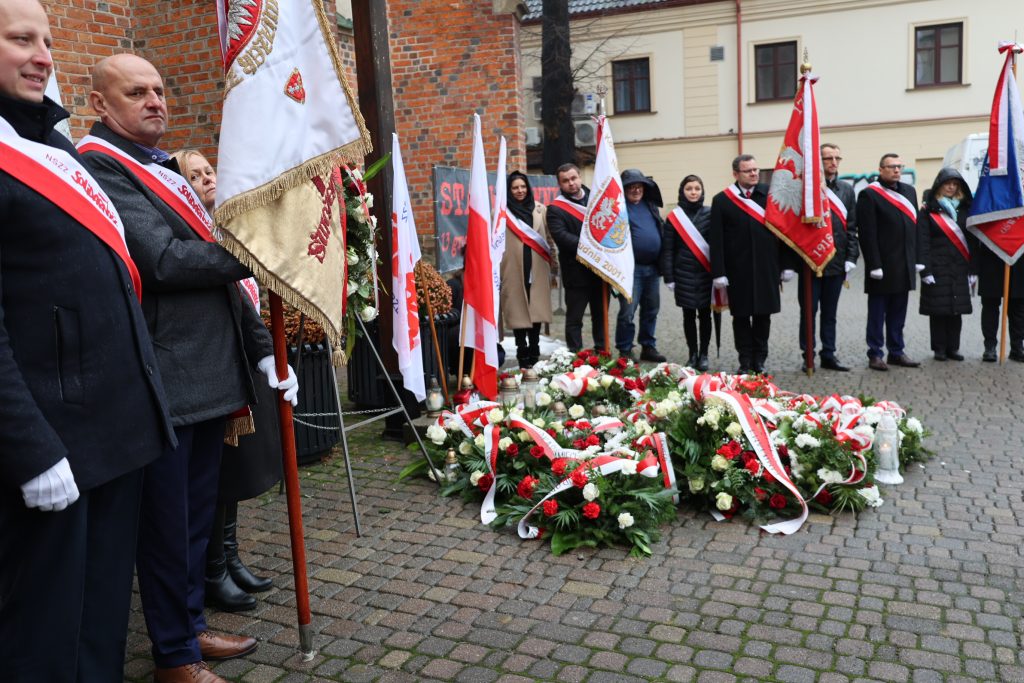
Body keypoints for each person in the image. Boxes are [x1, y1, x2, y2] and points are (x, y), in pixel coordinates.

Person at [80, 54, 298, 683]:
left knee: (197, 516)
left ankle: (189, 627)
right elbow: (166, 262)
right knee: (168, 525)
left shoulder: (163, 170)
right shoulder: (102, 169)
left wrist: (257, 344)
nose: (155, 101)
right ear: (100, 104)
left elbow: (214, 278)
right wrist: (255, 252)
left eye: (160, 88)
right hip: (168, 378)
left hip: (208, 377)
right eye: (136, 92)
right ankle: (174, 655)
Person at [0, 2, 174, 680]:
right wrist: (31, 448)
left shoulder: (50, 140)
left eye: (47, 40)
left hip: (113, 437)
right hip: (51, 447)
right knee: (44, 639)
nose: (43, 54)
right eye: (20, 40)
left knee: (99, 627)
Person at [172, 149, 281, 612]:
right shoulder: (195, 236)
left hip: (239, 362)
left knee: (233, 475)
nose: (206, 179)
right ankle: (213, 568)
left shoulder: (222, 227)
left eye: (208, 171)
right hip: (208, 370)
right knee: (215, 477)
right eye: (193, 177)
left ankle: (229, 557)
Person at [709, 154, 794, 374]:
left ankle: (760, 360)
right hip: (738, 271)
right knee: (740, 317)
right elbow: (716, 240)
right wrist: (718, 272)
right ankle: (745, 361)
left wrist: (786, 265)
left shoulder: (770, 195)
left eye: (756, 170)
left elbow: (784, 231)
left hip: (767, 268)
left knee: (763, 317)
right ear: (736, 174)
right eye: (749, 171)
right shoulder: (722, 200)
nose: (754, 173)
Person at [798, 144, 860, 371]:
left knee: (830, 313)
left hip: (836, 260)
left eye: (837, 158)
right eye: (828, 158)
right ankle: (808, 355)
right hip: (811, 261)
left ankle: (829, 354)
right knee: (808, 311)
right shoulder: (807, 189)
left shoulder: (846, 189)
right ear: (818, 161)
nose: (833, 162)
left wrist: (851, 256)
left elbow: (852, 227)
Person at [858, 153, 922, 371]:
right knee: (877, 312)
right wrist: (874, 264)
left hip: (904, 263)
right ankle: (875, 353)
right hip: (882, 266)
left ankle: (897, 351)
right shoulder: (869, 195)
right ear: (881, 169)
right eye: (891, 166)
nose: (896, 170)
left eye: (899, 166)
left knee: (899, 311)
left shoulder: (909, 191)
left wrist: (917, 258)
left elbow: (915, 228)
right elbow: (868, 233)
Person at [917, 168, 976, 361]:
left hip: (959, 266)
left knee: (956, 308)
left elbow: (973, 240)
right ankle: (939, 348)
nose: (951, 187)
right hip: (937, 266)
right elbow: (922, 240)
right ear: (939, 185)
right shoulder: (929, 210)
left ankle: (953, 348)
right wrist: (925, 269)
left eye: (955, 184)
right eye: (947, 183)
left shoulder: (966, 208)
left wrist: (973, 269)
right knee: (938, 310)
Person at [547, 162, 606, 352]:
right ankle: (576, 356)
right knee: (574, 319)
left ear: (579, 177)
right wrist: (591, 245)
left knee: (601, 315)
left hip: (600, 270)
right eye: (565, 181)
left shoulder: (597, 199)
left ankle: (602, 352)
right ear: (560, 184)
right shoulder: (556, 209)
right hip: (576, 273)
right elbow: (562, 237)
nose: (571, 183)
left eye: (573, 178)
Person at [500, 170, 555, 368]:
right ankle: (521, 348)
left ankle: (535, 347)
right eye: (515, 187)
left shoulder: (540, 209)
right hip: (513, 268)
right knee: (517, 309)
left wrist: (554, 266)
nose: (520, 190)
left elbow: (548, 239)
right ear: (509, 190)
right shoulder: (501, 212)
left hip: (537, 267)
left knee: (536, 308)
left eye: (523, 186)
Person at [661, 174, 713, 370]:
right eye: (689, 188)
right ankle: (692, 353)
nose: (693, 192)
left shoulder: (710, 213)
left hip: (706, 273)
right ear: (682, 191)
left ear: (702, 191)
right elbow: (668, 249)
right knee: (688, 316)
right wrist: (669, 277)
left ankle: (704, 354)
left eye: (697, 188)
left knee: (706, 315)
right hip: (683, 274)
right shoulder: (674, 217)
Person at [615, 169, 667, 362]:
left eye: (639, 186)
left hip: (652, 268)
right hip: (630, 270)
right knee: (628, 312)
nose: (636, 190)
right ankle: (625, 349)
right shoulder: (619, 209)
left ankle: (648, 346)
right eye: (631, 186)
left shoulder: (650, 206)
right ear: (624, 189)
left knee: (651, 309)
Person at [976, 247, 1024, 362]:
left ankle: (1017, 347)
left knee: (1018, 308)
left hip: (1018, 256)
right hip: (991, 255)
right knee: (990, 306)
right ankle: (990, 347)